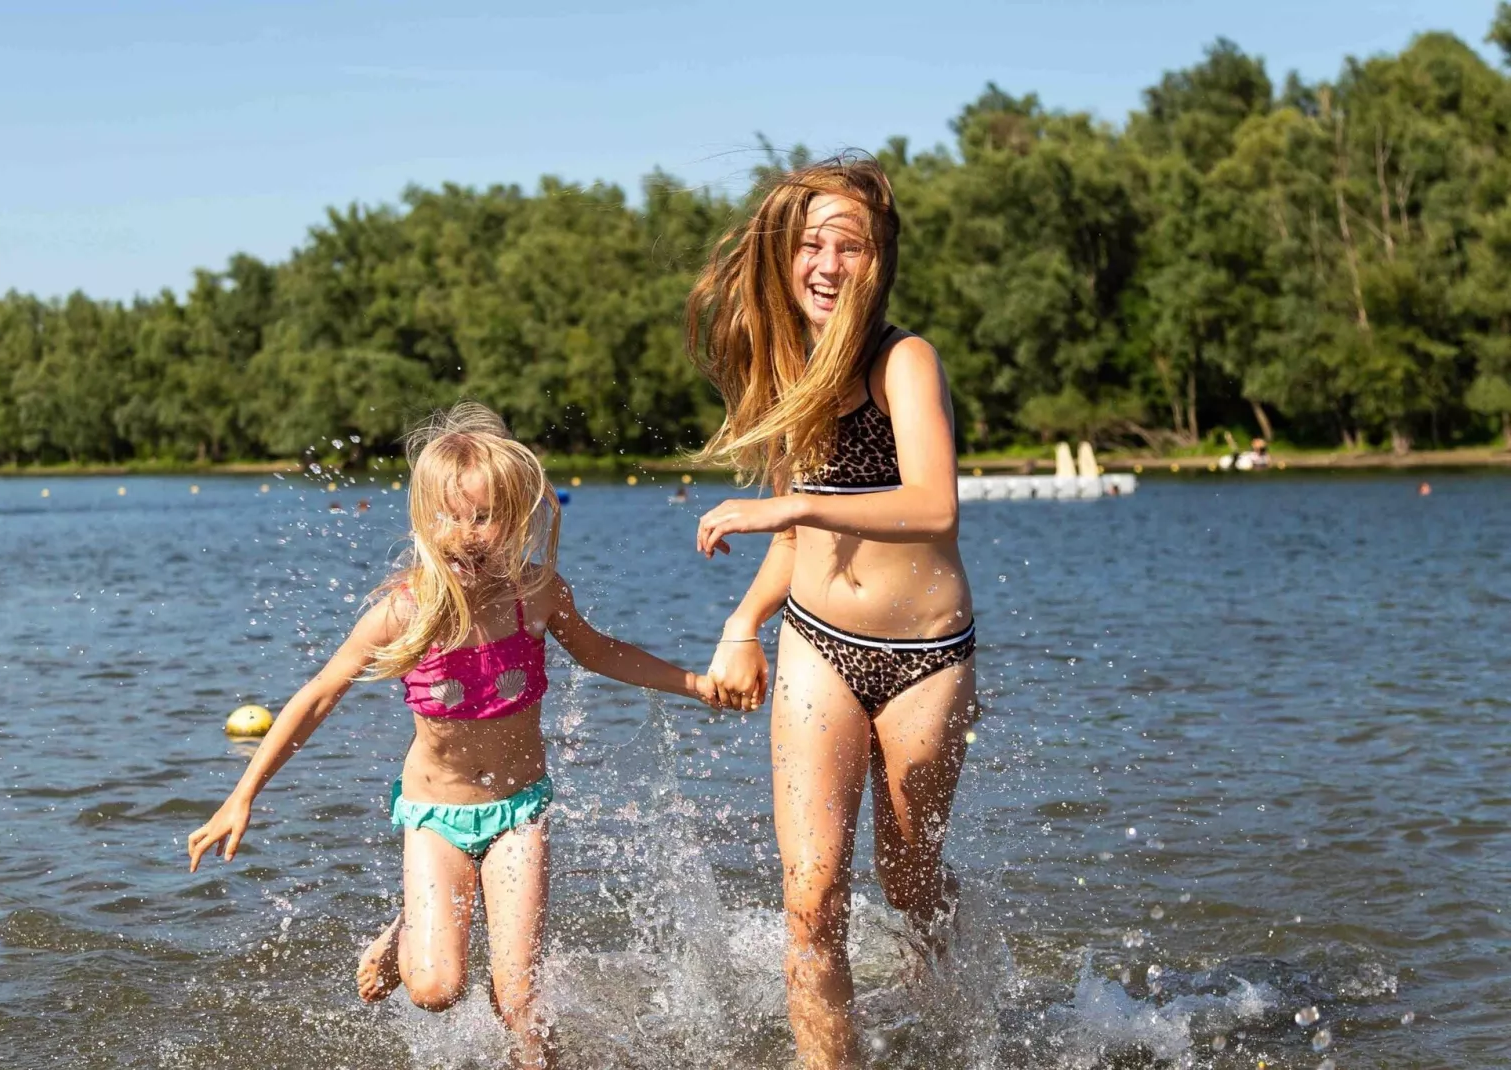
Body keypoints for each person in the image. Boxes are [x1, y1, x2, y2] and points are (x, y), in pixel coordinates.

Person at [187, 402, 720, 1069]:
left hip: (519, 811)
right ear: (422, 520)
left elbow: (602, 652)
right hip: (436, 818)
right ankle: (408, 927)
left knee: (520, 999)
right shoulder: (403, 611)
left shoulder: (538, 593)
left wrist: (696, 683)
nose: (466, 535)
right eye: (448, 516)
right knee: (437, 990)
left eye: (484, 516)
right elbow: (319, 695)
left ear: (517, 516)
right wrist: (243, 796)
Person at [685, 155, 976, 1069]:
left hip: (927, 657)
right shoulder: (786, 372)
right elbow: (790, 544)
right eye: (810, 243)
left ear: (876, 261)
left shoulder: (905, 361)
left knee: (909, 877)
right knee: (811, 893)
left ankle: (963, 1026)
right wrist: (743, 623)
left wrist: (796, 505)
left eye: (846, 246)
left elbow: (934, 506)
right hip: (819, 644)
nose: (824, 262)